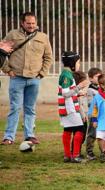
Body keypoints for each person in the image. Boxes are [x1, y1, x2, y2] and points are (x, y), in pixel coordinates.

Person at [1, 12, 53, 145]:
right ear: (22, 23)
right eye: (28, 23)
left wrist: (42, 73)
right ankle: (9, 137)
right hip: (16, 78)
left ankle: (29, 135)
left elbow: (48, 57)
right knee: (15, 108)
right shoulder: (12, 35)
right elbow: (2, 53)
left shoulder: (43, 37)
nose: (31, 26)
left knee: (30, 108)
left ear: (36, 23)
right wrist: (8, 71)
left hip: (34, 79)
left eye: (33, 23)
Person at [58, 51, 89, 163]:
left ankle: (67, 156)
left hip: (67, 108)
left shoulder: (65, 74)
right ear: (72, 63)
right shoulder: (67, 75)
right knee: (79, 129)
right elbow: (66, 93)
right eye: (78, 62)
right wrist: (80, 86)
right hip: (70, 109)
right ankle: (75, 156)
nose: (79, 65)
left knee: (68, 130)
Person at [85, 68, 102, 160]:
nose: (99, 78)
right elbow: (90, 103)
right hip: (93, 115)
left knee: (102, 133)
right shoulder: (90, 90)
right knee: (92, 133)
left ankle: (103, 150)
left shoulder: (101, 88)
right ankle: (89, 151)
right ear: (91, 78)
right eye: (97, 76)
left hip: (102, 115)